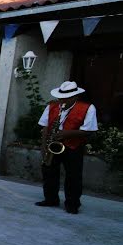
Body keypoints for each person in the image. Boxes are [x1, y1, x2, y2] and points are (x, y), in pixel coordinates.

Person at [35, 81, 98, 214]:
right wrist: (44, 146)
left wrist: (67, 133)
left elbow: (89, 131)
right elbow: (45, 127)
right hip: (53, 144)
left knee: (73, 176)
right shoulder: (52, 106)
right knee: (49, 172)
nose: (62, 100)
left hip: (74, 146)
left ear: (75, 96)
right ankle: (50, 199)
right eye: (60, 97)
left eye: (66, 98)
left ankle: (72, 204)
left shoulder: (88, 108)